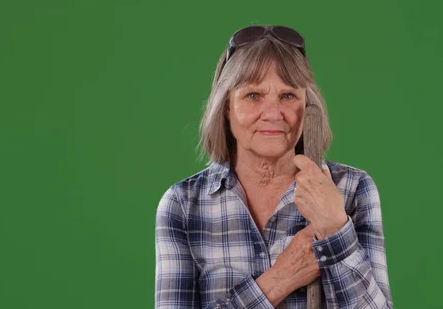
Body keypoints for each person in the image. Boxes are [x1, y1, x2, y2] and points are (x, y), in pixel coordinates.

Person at [155, 25, 393, 308]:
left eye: (288, 96)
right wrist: (279, 279)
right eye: (253, 95)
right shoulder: (183, 204)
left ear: (308, 106)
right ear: (227, 107)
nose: (272, 114)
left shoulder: (352, 190)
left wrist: (335, 229)